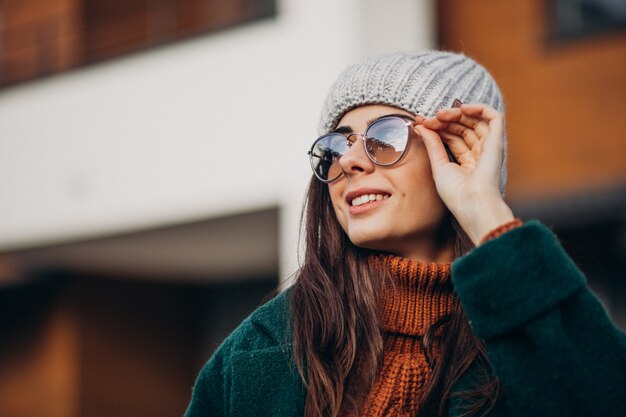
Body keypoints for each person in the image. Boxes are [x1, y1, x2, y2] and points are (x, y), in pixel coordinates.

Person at [183, 51, 626, 417]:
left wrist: (484, 210)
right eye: (337, 144)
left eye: (386, 136)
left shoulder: (525, 333)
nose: (350, 162)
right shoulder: (261, 348)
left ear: (457, 154)